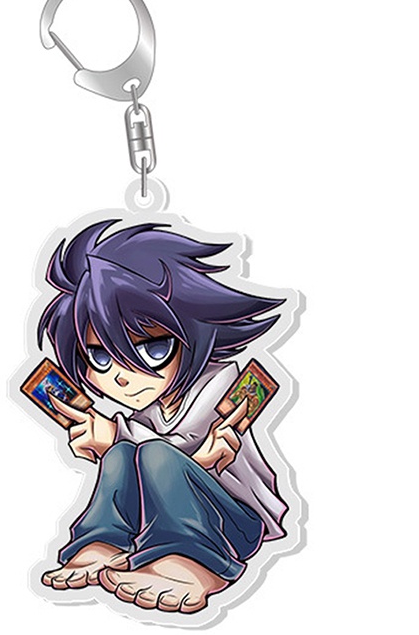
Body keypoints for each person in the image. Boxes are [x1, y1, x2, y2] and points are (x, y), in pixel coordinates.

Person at [37, 220, 288, 614]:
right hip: (158, 522)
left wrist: (118, 435)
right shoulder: (149, 407)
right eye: (99, 358)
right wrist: (111, 442)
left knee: (153, 454)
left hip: (232, 524)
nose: (121, 376)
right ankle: (105, 541)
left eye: (153, 348)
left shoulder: (221, 387)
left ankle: (193, 564)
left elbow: (182, 454)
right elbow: (135, 454)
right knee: (122, 456)